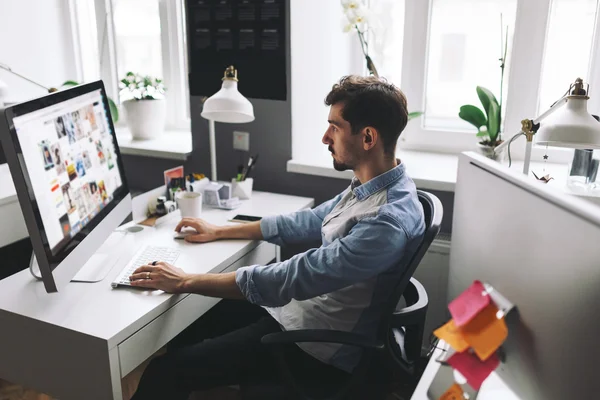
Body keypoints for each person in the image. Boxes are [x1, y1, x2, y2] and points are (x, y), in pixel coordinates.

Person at [129, 75, 426, 400]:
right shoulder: (377, 185)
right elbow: (310, 221)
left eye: (335, 127)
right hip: (299, 312)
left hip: (316, 346)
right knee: (190, 322)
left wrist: (187, 281)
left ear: (368, 137)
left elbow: (295, 276)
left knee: (164, 371)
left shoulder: (385, 220)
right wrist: (220, 231)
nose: (325, 137)